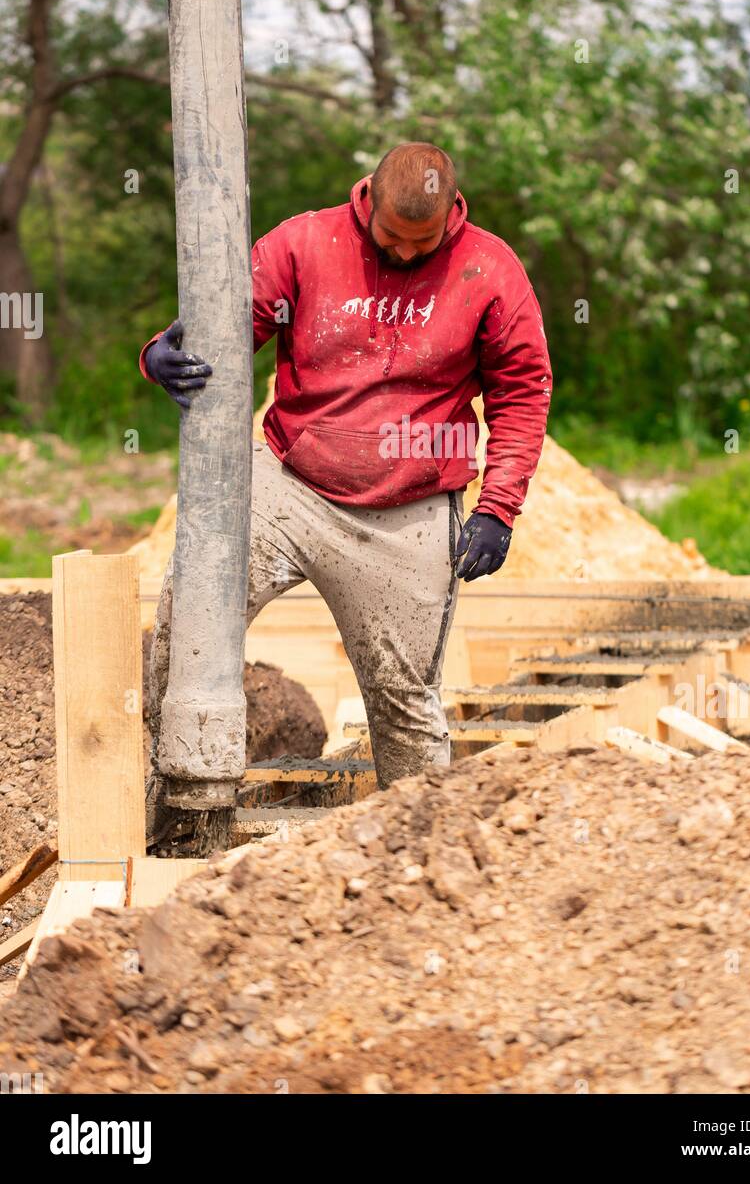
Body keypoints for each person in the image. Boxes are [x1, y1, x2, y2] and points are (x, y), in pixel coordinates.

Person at [141, 142, 551, 787]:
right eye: (394, 236)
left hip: (409, 510)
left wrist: (498, 508)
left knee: (407, 705)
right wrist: (160, 355)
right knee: (186, 631)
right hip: (287, 488)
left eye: (426, 239)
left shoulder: (490, 269)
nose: (410, 252)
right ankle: (174, 813)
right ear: (368, 202)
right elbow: (219, 332)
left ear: (452, 214)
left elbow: (522, 392)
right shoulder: (303, 244)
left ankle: (416, 847)